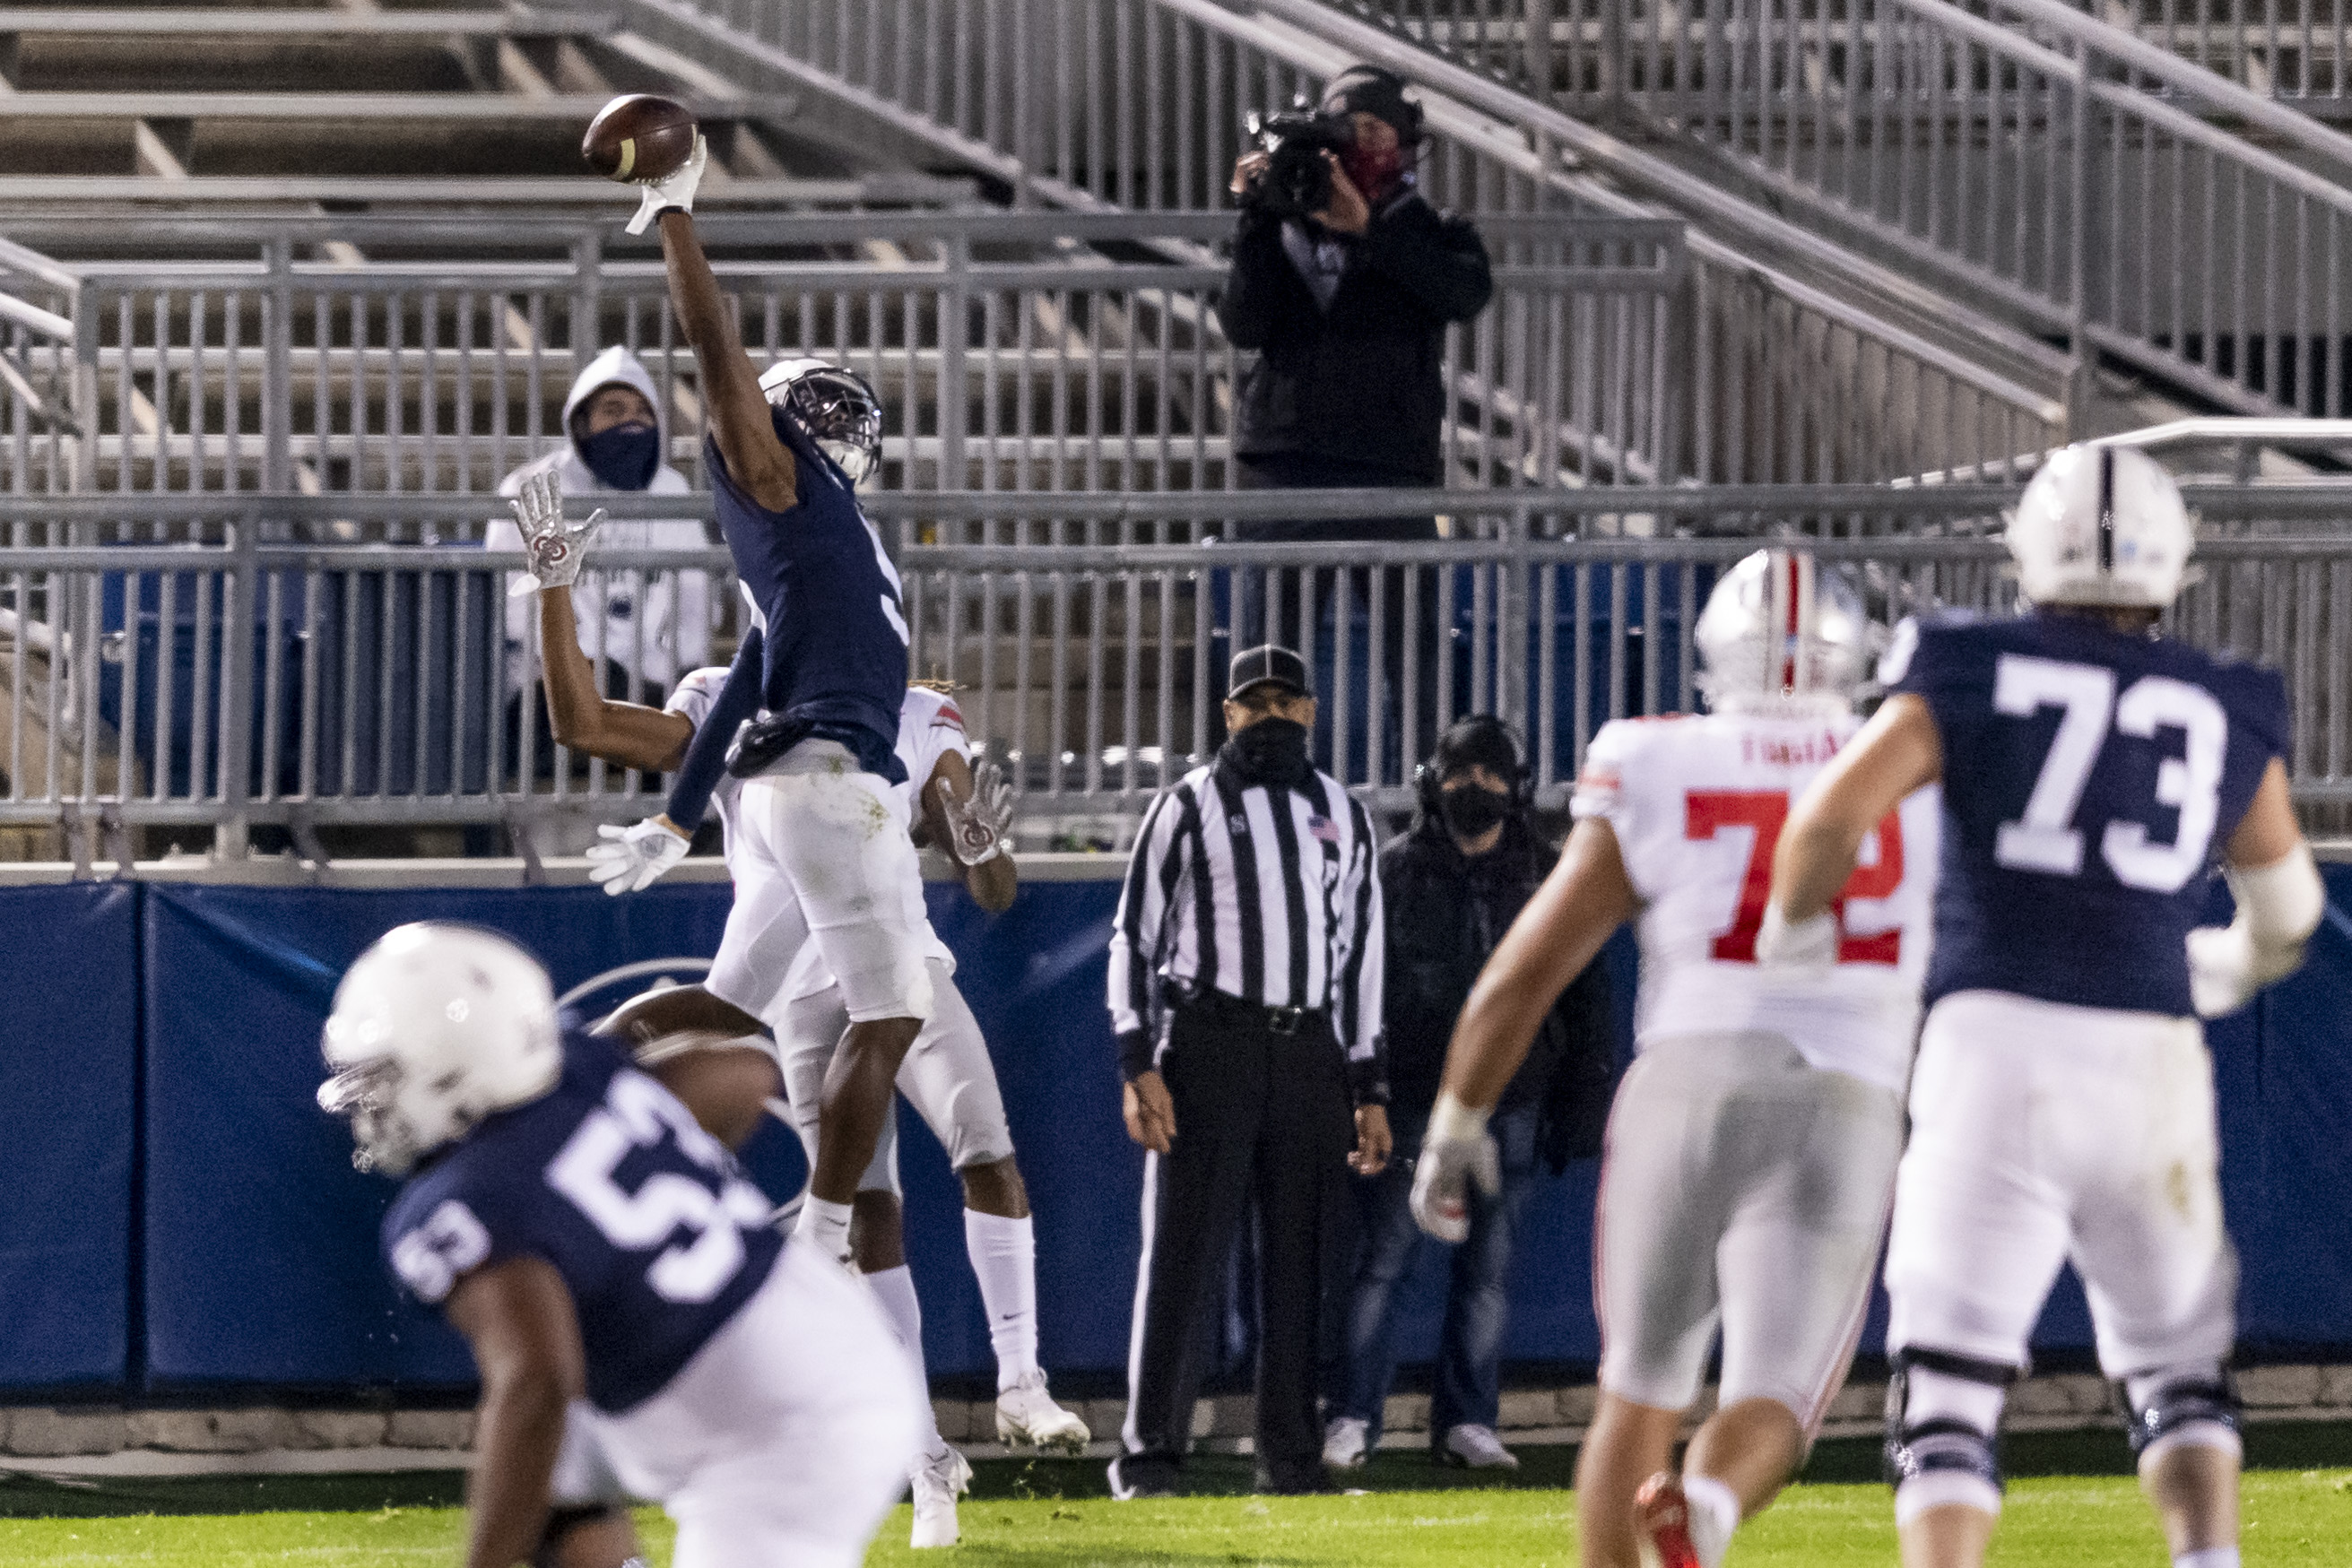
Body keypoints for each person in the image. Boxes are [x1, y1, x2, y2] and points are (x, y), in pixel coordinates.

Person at [1760, 445, 2323, 1568]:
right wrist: (2228, 966)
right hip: (2151, 1058)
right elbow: (2292, 907)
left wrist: (1796, 935)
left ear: (2027, 548)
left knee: (1951, 1386)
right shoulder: (2220, 699)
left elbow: (1827, 821)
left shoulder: (1970, 662)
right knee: (2176, 1370)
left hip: (1991, 1048)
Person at [512, 484, 1089, 1550]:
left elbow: (994, 882)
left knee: (985, 1147)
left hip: (898, 958)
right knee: (874, 1223)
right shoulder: (724, 692)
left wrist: (976, 845)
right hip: (796, 986)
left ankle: (1022, 1379)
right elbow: (582, 724)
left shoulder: (915, 710)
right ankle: (927, 1468)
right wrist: (555, 590)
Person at [1410, 550, 1940, 1568]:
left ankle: (1667, 1516)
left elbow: (1526, 971)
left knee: (1636, 1390)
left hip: (1684, 1082)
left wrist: (1452, 1126)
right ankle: (1701, 1507)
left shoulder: (1655, 756)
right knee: (1777, 1400)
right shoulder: (1913, 762)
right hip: (1845, 1094)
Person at [587, 140, 930, 1323]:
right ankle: (824, 1237)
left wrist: (675, 821)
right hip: (837, 789)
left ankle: (544, 1078)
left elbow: (742, 680)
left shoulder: (825, 549)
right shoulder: (781, 483)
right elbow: (718, 362)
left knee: (725, 1009)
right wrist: (679, 218)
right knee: (891, 1014)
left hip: (788, 792)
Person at [317, 923, 924, 1568]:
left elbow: (537, 1382)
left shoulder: (460, 1201)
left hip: (787, 1427)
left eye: (385, 1074)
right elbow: (745, 1072)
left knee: (530, 1436)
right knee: (548, 1482)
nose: (371, 1103)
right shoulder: (580, 1075)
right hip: (810, 1332)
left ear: (453, 1068)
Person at [1106, 644, 1393, 1499]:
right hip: (1209, 1041)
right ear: (1227, 714)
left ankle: (1291, 1459)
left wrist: (1369, 1082)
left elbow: (1361, 951)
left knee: (1305, 1264)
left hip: (1309, 1048)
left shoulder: (1344, 811)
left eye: (1283, 702)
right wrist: (1135, 1057)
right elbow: (1135, 935)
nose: (1268, 716)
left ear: (1308, 710)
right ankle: (1150, 1454)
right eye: (1251, 703)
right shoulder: (1187, 805)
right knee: (1184, 1257)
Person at [1324, 715, 1615, 1474]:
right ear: (1430, 778)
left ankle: (1468, 1420)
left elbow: (1585, 993)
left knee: (1487, 1273)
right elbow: (1357, 988)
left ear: (1516, 787)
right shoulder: (1391, 870)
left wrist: (1582, 1097)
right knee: (1382, 1261)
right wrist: (1368, 1090)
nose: (1473, 785)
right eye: (1460, 770)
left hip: (1513, 1102)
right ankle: (1351, 1413)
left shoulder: (1547, 876)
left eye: (1490, 772)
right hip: (1415, 1095)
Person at [1219, 65, 1492, 767]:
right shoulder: (1283, 216)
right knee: (1265, 657)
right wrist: (1257, 217)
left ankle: (1432, 796)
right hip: (1285, 463)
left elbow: (1460, 292)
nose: (1363, 143)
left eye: (1378, 130)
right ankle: (1252, 785)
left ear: (1404, 144)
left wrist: (1370, 227)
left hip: (1389, 466)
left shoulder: (1432, 230)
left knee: (1418, 659)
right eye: (1350, 129)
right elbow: (1244, 323)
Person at [485, 345, 709, 701]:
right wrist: (574, 664)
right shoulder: (531, 486)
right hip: (550, 687)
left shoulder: (671, 488)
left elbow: (698, 599)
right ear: (582, 423)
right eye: (614, 411)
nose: (630, 423)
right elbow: (510, 601)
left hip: (651, 687)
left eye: (642, 413)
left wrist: (669, 662)